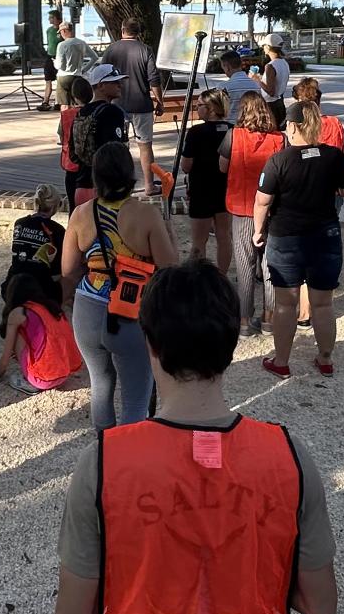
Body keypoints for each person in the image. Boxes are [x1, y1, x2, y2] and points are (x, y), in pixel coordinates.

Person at [53, 260, 338, 614]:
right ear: (230, 345)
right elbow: (321, 605)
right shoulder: (288, 457)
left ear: (150, 343)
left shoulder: (105, 464)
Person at [62, 141, 180, 426]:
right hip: (130, 310)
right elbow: (170, 270)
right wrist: (170, 230)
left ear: (96, 176)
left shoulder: (80, 214)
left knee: (100, 386)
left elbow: (67, 271)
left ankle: (103, 448)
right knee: (136, 397)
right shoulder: (146, 215)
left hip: (88, 308)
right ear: (129, 174)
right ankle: (128, 458)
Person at [255, 99, 344, 378]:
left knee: (286, 303)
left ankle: (282, 361)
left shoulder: (278, 160)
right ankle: (325, 359)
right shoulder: (335, 156)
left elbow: (262, 201)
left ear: (294, 126)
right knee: (323, 303)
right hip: (325, 234)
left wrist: (257, 231)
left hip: (286, 236)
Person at [219, 92, 286, 334]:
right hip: (271, 208)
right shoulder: (280, 139)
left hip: (242, 206)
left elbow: (222, 166)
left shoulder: (233, 135)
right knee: (270, 264)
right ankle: (269, 317)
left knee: (245, 265)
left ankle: (244, 320)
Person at [0, 269, 80, 392]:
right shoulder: (51, 307)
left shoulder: (19, 313)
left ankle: (28, 379)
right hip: (63, 374)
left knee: (17, 335)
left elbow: (6, 356)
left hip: (41, 379)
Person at [103, 18, 163, 199]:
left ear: (122, 30)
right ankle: (149, 185)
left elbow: (103, 74)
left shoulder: (111, 49)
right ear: (139, 32)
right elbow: (154, 79)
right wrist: (159, 101)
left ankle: (121, 185)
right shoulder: (145, 50)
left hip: (117, 104)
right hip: (142, 105)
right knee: (145, 147)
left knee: (120, 146)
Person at [179, 89, 234, 271]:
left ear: (210, 108)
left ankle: (198, 277)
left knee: (198, 240)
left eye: (199, 105)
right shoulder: (232, 130)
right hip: (225, 189)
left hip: (201, 189)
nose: (197, 109)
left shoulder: (196, 132)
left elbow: (186, 166)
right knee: (224, 236)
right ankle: (222, 275)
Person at [3, 184, 65, 296]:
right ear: (57, 206)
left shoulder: (19, 223)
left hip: (13, 284)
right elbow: (57, 270)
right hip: (40, 287)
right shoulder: (57, 230)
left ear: (36, 203)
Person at [56, 75, 92, 211]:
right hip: (90, 166)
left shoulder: (67, 115)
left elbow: (61, 136)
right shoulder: (95, 112)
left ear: (74, 96)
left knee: (73, 206)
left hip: (71, 163)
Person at [53, 20, 93, 108]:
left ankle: (65, 121)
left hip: (64, 76)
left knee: (64, 104)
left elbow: (60, 66)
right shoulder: (81, 43)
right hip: (77, 75)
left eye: (60, 32)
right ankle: (78, 120)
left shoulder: (62, 45)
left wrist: (55, 62)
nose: (61, 35)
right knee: (78, 102)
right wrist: (84, 69)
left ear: (64, 31)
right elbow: (94, 57)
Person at [259, 39, 292, 130]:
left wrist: (257, 79)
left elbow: (271, 91)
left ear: (268, 47)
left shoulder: (270, 66)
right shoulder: (284, 63)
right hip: (280, 103)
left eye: (264, 46)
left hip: (270, 105)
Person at [42, 8, 62, 109]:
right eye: (49, 18)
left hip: (59, 58)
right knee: (48, 80)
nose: (50, 19)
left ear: (57, 19)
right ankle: (45, 101)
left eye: (52, 18)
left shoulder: (62, 30)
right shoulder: (49, 30)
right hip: (49, 57)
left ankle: (58, 101)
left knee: (59, 80)